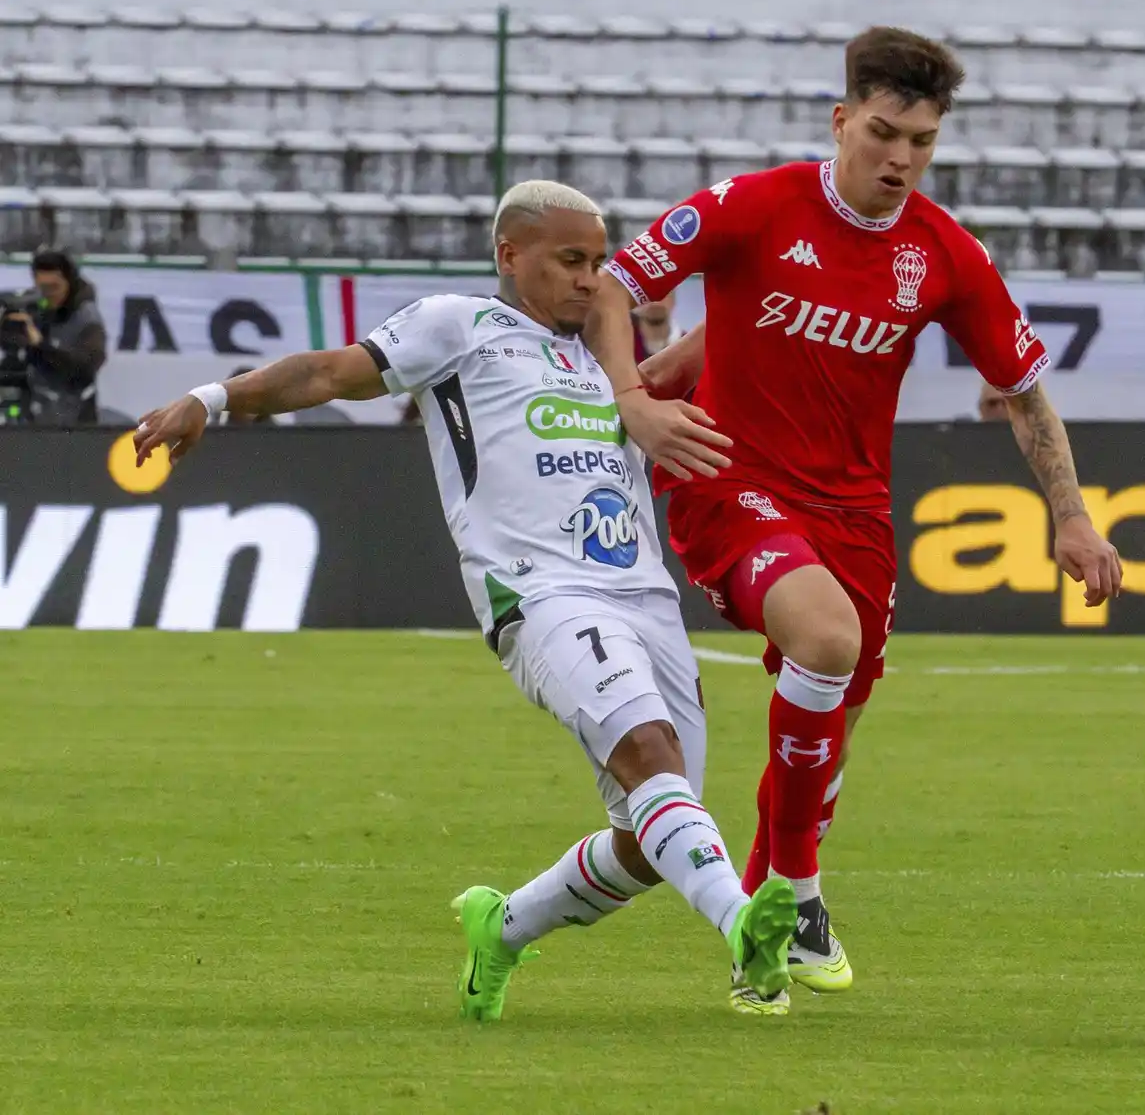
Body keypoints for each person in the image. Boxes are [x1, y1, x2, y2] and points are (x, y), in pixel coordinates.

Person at [132, 180, 798, 1022]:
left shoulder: (611, 360)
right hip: (541, 594)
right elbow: (328, 372)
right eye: (568, 261)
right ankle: (745, 934)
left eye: (598, 262)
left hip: (645, 599)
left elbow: (722, 344)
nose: (590, 279)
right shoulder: (461, 326)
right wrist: (212, 397)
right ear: (509, 255)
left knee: (649, 840)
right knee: (648, 750)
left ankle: (503, 928)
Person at [585, 27, 1123, 1013]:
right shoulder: (753, 204)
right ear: (842, 121)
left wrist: (1074, 520)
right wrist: (633, 398)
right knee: (827, 640)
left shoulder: (944, 254)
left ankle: (763, 922)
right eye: (884, 133)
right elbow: (617, 283)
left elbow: (1025, 390)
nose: (901, 159)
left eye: (922, 142)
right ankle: (795, 889)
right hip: (726, 478)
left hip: (854, 512)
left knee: (837, 703)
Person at [3, 248, 108, 424]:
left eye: (54, 287)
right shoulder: (33, 307)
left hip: (76, 417)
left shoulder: (86, 317)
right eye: (42, 287)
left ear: (68, 281)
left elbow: (87, 366)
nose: (49, 294)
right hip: (34, 412)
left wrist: (41, 346)